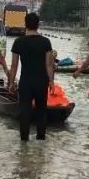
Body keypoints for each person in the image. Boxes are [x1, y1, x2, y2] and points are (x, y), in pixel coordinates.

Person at [8, 12, 55, 142]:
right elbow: (49, 64)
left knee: (25, 110)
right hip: (41, 81)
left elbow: (14, 65)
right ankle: (41, 139)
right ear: (38, 25)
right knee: (41, 110)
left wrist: (11, 83)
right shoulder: (45, 42)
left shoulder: (18, 42)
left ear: (25, 24)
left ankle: (24, 141)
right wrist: (51, 81)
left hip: (26, 82)